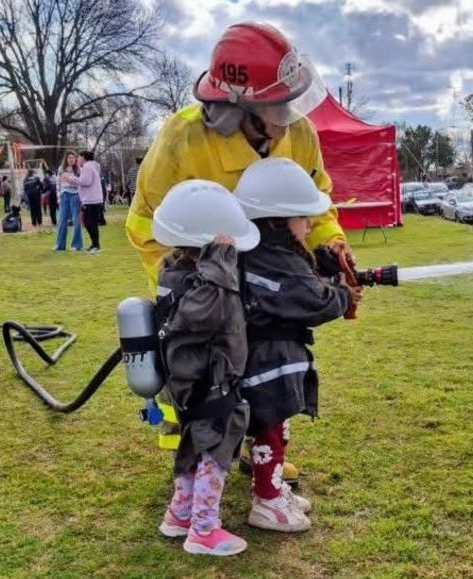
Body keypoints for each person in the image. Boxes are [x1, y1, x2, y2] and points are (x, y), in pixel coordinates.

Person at [125, 22, 352, 484]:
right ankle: (192, 465)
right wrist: (195, 290)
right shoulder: (181, 140)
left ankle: (259, 449)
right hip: (201, 276)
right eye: (277, 105)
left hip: (265, 277)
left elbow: (316, 201)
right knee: (200, 371)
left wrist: (330, 242)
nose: (289, 114)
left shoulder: (300, 133)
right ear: (234, 110)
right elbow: (150, 226)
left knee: (264, 362)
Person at [233, 158, 361, 532]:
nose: (309, 225)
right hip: (266, 362)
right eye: (303, 217)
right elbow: (311, 300)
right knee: (269, 429)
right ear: (277, 220)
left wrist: (324, 261)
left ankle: (272, 488)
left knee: (276, 428)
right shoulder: (272, 259)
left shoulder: (266, 253)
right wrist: (342, 296)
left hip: (269, 360)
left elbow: (299, 281)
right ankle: (267, 501)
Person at [154, 180, 259, 556]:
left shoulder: (174, 274)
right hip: (210, 385)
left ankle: (179, 513)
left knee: (192, 446)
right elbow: (212, 314)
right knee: (216, 450)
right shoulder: (209, 286)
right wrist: (221, 263)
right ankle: (202, 529)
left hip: (189, 382)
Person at [67, 151, 104, 253]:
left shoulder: (87, 167)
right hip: (94, 199)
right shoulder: (92, 166)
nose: (77, 159)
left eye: (79, 157)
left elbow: (86, 182)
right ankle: (94, 244)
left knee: (89, 223)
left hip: (91, 199)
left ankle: (96, 245)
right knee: (89, 223)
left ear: (83, 157)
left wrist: (73, 179)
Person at [55, 152, 84, 251]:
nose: (71, 159)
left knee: (76, 221)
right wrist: (58, 197)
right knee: (62, 220)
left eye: (73, 158)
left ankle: (76, 245)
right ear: (66, 159)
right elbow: (58, 184)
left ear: (75, 159)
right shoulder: (61, 169)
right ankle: (60, 245)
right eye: (69, 158)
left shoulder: (78, 169)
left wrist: (71, 180)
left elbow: (80, 184)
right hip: (64, 195)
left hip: (75, 195)